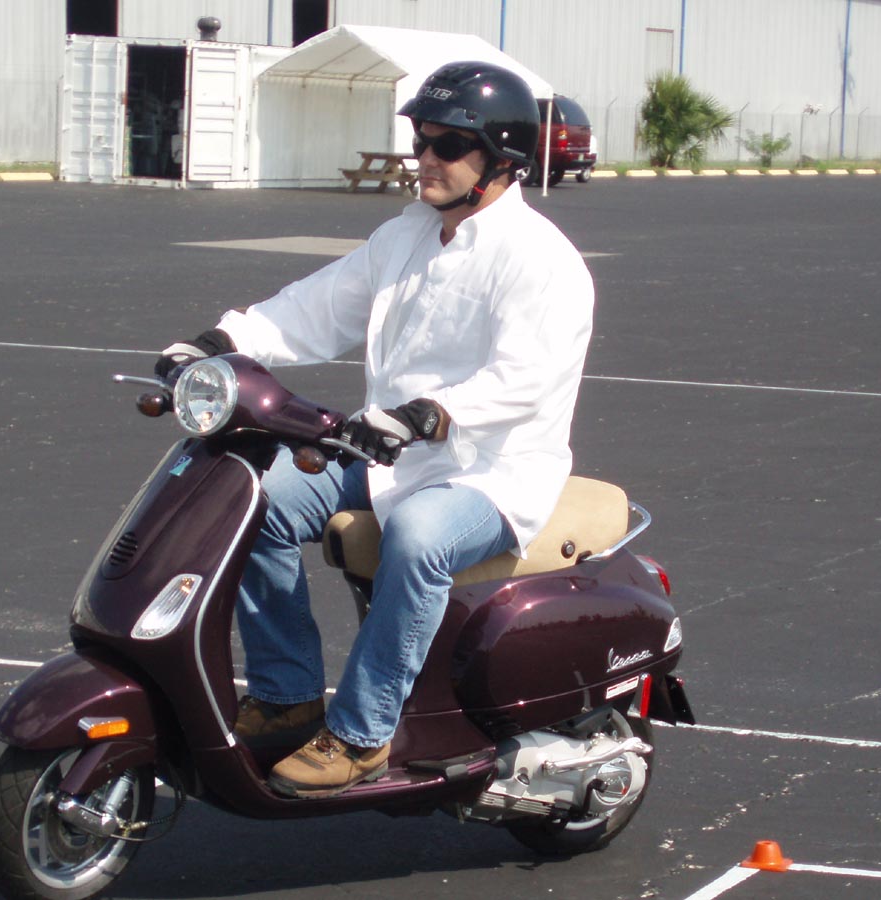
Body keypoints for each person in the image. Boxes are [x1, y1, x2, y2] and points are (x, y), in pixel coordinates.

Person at [155, 61, 594, 798]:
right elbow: (317, 306)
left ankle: (362, 734)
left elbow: (527, 377)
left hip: (491, 471)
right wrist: (219, 342)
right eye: (421, 140)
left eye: (449, 144)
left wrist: (429, 413)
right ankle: (288, 693)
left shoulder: (540, 259)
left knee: (418, 538)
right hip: (389, 452)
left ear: (502, 158)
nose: (426, 157)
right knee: (250, 500)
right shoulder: (406, 235)